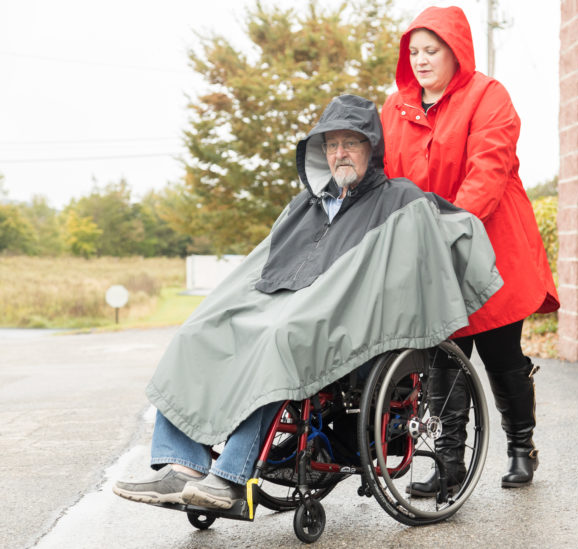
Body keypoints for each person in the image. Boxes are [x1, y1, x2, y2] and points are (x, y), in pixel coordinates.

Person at [113, 94, 503, 510]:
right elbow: (263, 262)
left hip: (340, 319)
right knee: (197, 331)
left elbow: (457, 228)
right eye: (331, 145)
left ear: (372, 148)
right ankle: (183, 467)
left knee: (279, 339)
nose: (340, 153)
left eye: (350, 143)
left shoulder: (400, 200)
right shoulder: (305, 206)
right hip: (281, 301)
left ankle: (228, 479)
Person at [381, 6, 560, 492]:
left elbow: (489, 169)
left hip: (492, 249)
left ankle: (522, 448)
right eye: (413, 51)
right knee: (442, 359)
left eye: (430, 50)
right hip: (433, 254)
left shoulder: (488, 96)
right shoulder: (396, 108)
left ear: (454, 50)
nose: (420, 60)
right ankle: (448, 465)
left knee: (503, 356)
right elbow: (387, 180)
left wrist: (450, 227)